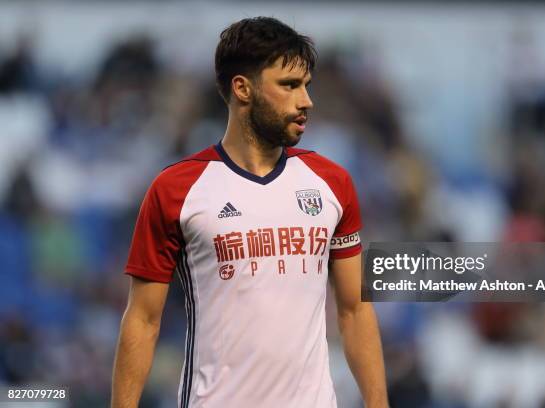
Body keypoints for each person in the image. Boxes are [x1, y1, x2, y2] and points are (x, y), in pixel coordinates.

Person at [111, 17, 388, 408]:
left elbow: (355, 310)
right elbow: (142, 319)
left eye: (306, 86)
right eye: (289, 85)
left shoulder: (332, 183)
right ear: (243, 89)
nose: (305, 100)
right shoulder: (176, 190)